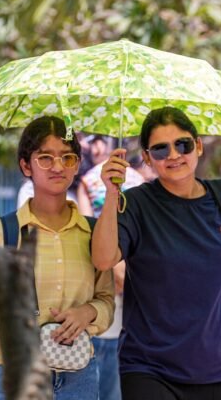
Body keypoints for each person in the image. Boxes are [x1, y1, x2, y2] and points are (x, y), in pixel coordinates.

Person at [91, 106, 221, 399]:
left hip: (219, 368)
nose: (173, 155)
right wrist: (111, 194)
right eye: (159, 149)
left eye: (182, 144)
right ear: (145, 157)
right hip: (149, 369)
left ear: (198, 146)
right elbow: (104, 259)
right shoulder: (136, 204)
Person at [0, 116, 114, 400]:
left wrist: (88, 313)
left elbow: (106, 300)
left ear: (77, 164)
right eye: (45, 158)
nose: (58, 166)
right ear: (25, 165)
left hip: (79, 377)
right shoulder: (6, 232)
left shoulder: (92, 233)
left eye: (67, 157)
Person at [76, 136, 144, 400]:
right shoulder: (141, 182)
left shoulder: (88, 181)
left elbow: (86, 237)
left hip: (96, 314)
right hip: (122, 318)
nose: (94, 147)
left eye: (99, 141)